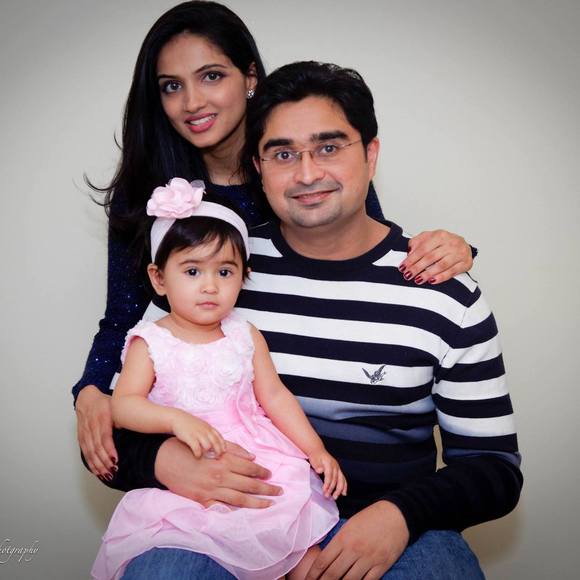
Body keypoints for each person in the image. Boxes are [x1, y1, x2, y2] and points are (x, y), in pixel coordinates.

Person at [115, 61, 522, 579]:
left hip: (390, 528)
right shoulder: (212, 268)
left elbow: (494, 469)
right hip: (223, 521)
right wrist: (163, 462)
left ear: (370, 154)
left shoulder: (442, 288)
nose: (307, 174)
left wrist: (400, 515)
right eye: (283, 154)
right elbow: (116, 422)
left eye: (329, 148)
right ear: (258, 167)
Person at [74, 0, 475, 498]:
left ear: (250, 78)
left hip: (298, 435)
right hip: (199, 431)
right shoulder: (151, 194)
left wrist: (453, 251)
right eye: (171, 86)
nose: (192, 102)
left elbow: (361, 260)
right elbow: (125, 317)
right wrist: (90, 390)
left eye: (211, 76)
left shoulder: (307, 180)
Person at [91, 180, 347, 579]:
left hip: (260, 456)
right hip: (190, 468)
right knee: (206, 546)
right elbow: (123, 406)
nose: (210, 286)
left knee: (298, 548)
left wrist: (316, 449)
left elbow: (275, 397)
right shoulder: (151, 341)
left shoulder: (245, 334)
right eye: (192, 271)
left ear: (243, 276)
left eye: (225, 271)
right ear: (159, 278)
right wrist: (176, 420)